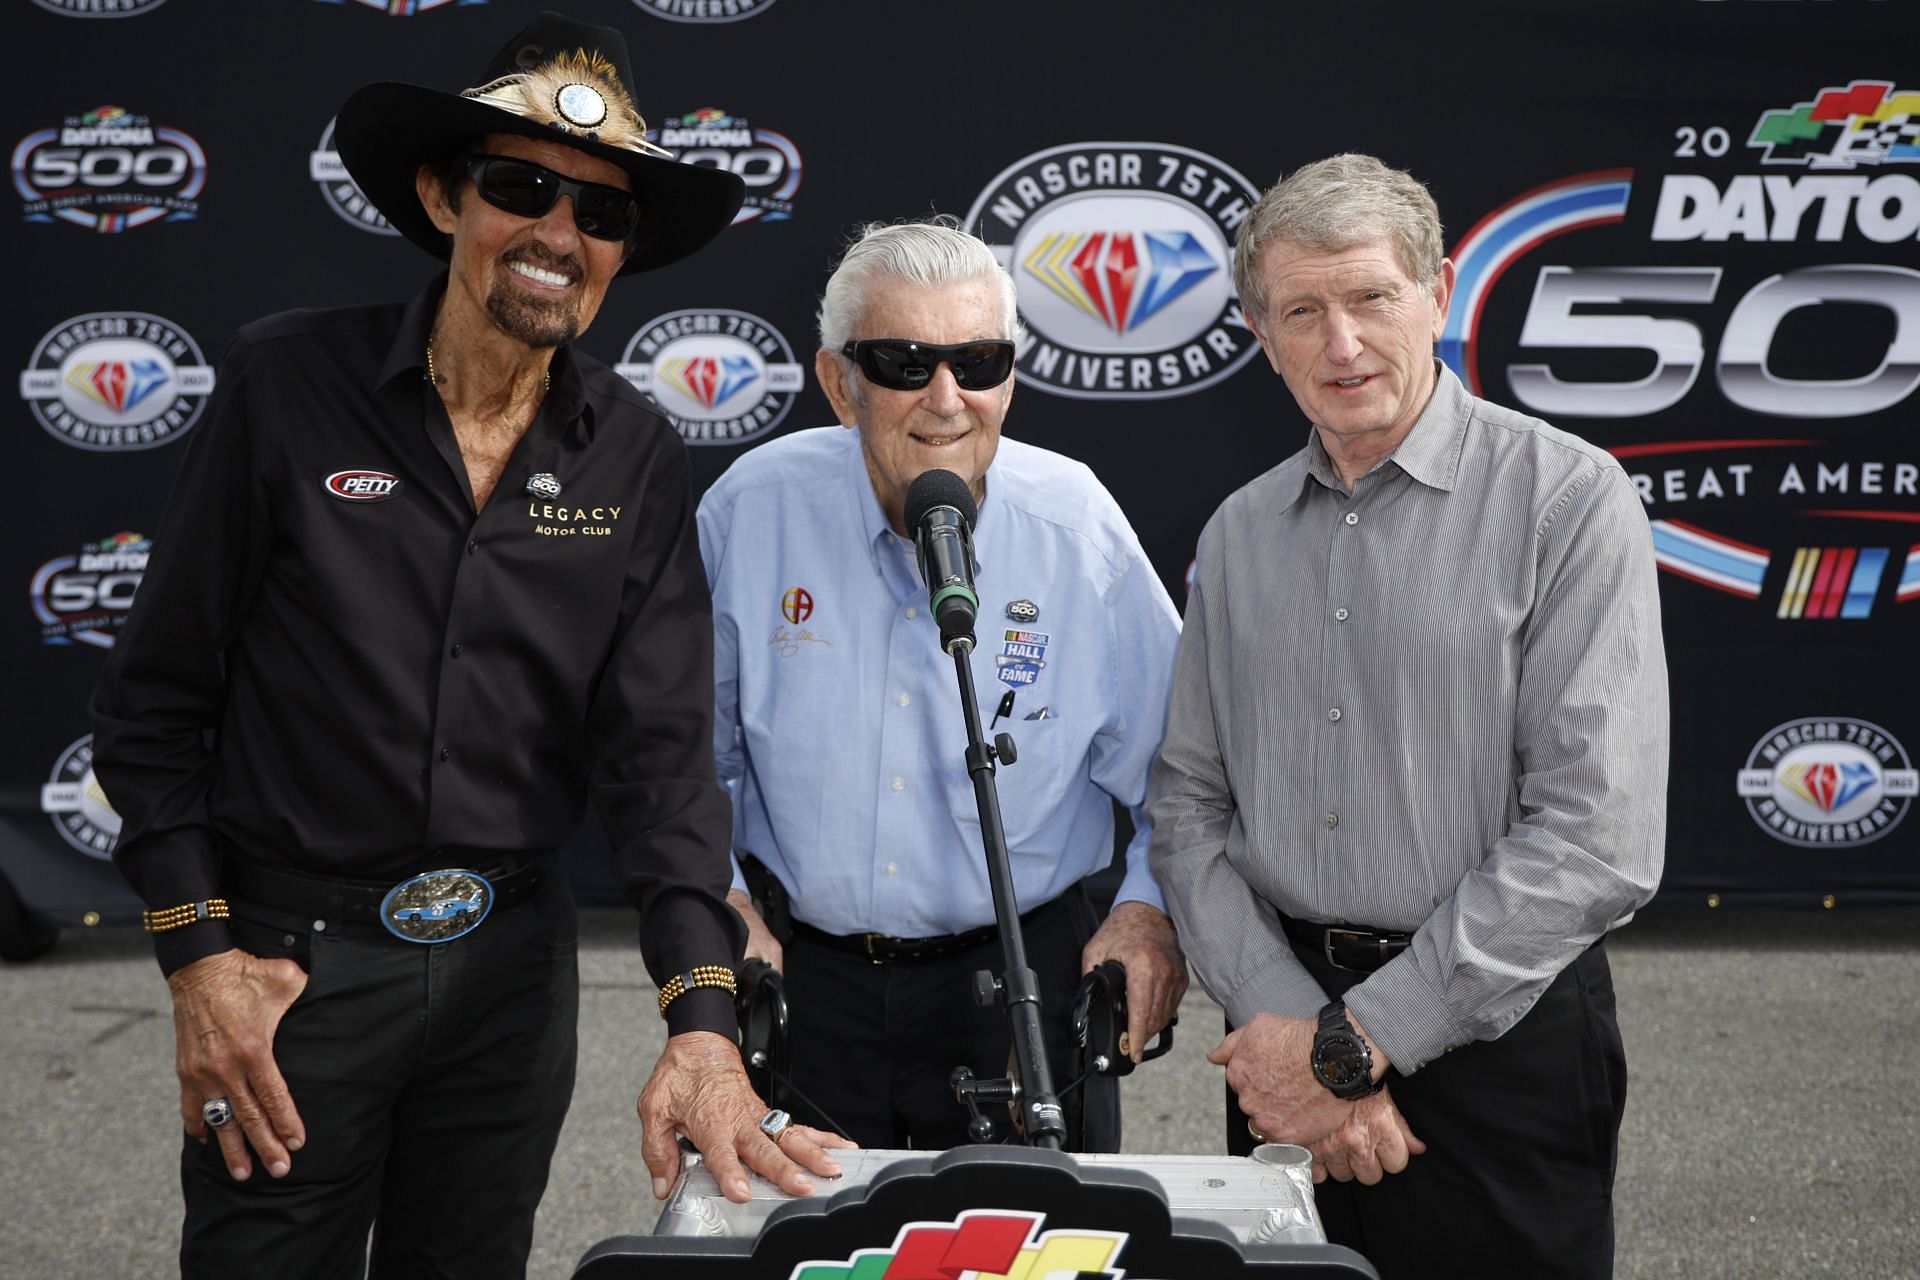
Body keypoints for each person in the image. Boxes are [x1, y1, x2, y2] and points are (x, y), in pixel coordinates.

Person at [89, 14, 843, 1277]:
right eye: (521, 185)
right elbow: (153, 705)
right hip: (289, 966)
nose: (560, 231)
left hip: (510, 976)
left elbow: (661, 765)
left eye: (601, 213)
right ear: (444, 196)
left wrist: (702, 1024)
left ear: (623, 253)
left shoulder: (638, 453)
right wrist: (199, 957)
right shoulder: (287, 386)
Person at [1147, 153, 1668, 1279]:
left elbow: (1599, 833)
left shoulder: (1568, 499)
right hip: (1280, 1033)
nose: (1342, 344)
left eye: (1372, 297)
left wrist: (1356, 1042)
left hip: (1498, 1040)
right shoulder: (1239, 535)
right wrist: (1292, 1033)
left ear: (1438, 292)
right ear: (1259, 331)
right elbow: (1188, 803)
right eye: (1303, 310)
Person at [698, 219, 1189, 1150]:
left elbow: (1187, 774)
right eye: (903, 361)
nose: (947, 398)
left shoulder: (1076, 528)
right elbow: (683, 758)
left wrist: (1146, 914)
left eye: (979, 361)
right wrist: (716, 899)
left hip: (1022, 986)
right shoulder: (751, 510)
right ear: (839, 383)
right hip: (806, 980)